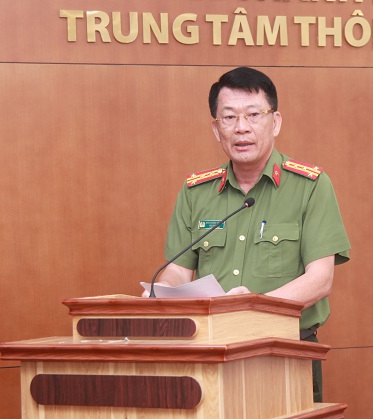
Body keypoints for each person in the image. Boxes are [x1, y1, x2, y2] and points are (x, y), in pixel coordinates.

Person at [145, 66, 350, 402]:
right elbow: (178, 270)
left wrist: (252, 308)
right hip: (210, 355)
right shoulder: (196, 191)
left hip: (285, 352)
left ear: (275, 122)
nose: (241, 127)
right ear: (216, 128)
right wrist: (161, 293)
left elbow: (320, 280)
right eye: (229, 117)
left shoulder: (310, 186)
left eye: (254, 115)